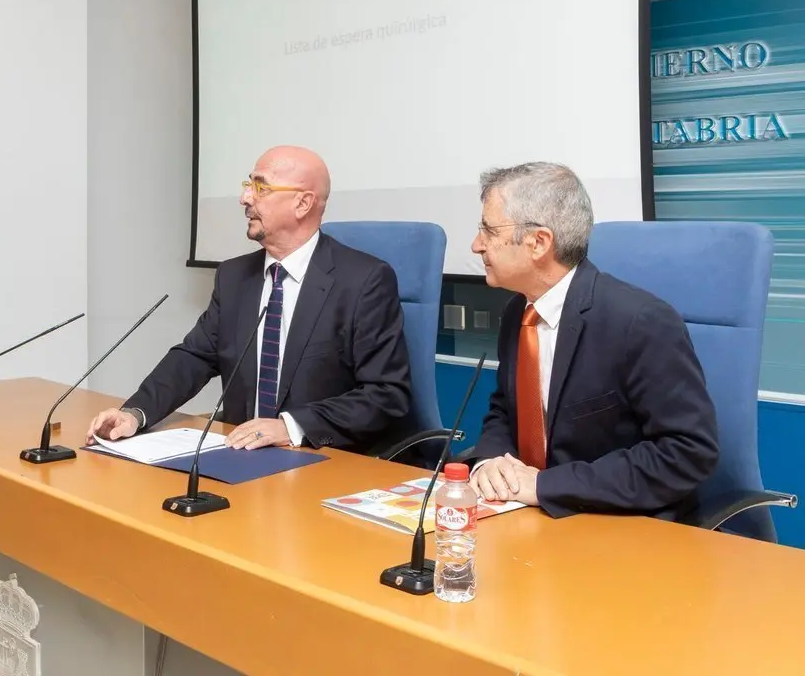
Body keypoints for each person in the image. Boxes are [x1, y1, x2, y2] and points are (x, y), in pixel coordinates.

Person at [87, 145, 415, 454]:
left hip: (323, 458)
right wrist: (135, 413)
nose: (245, 198)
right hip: (240, 456)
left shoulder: (364, 281)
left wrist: (291, 426)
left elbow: (386, 394)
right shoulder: (234, 276)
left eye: (261, 187)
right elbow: (194, 358)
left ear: (302, 204)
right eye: (248, 186)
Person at [466, 162, 718, 520]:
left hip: (617, 522)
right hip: (530, 518)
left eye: (489, 231)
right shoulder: (518, 312)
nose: (476, 245)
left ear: (539, 242)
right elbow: (505, 409)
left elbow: (686, 452)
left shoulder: (641, 322)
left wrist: (544, 486)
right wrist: (490, 461)